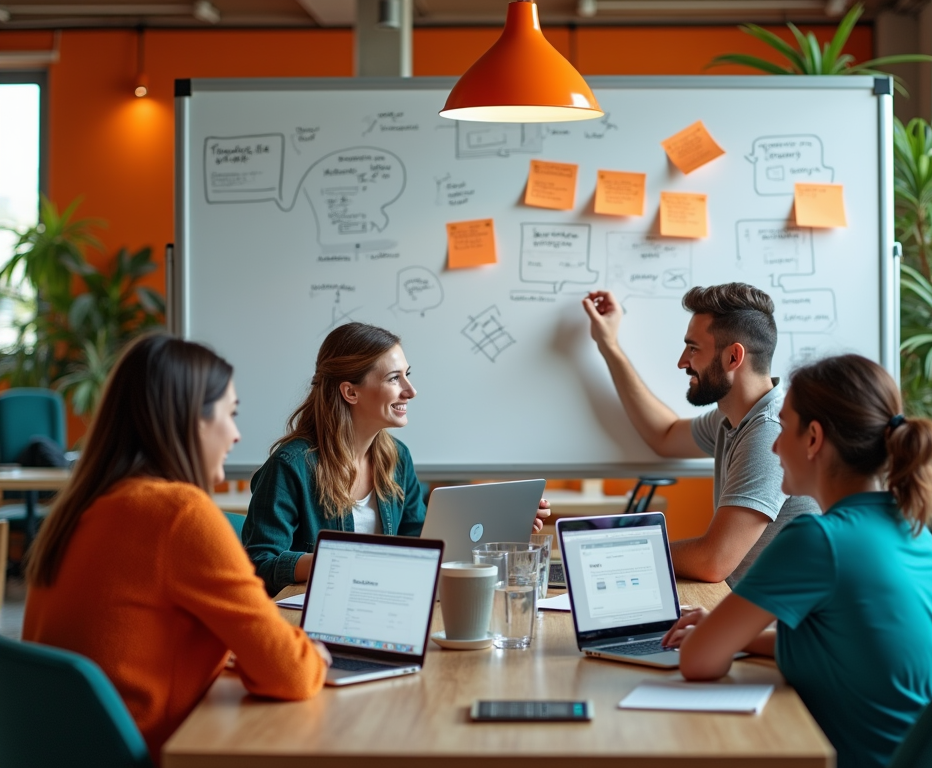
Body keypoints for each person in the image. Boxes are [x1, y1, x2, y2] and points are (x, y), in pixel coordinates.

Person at [22, 334, 329, 763]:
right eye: (231, 414)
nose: (238, 435)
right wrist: (311, 653)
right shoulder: (180, 514)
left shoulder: (81, 507)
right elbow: (292, 674)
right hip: (157, 750)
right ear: (192, 421)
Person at [661, 354, 932, 768]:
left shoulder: (818, 539)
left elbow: (698, 662)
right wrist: (735, 633)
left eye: (783, 427)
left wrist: (712, 634)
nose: (773, 445)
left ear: (813, 438)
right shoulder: (910, 524)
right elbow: (845, 644)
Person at [244, 321, 550, 596]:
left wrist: (505, 524)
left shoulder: (397, 458)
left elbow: (421, 541)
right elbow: (259, 564)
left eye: (408, 375)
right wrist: (338, 558)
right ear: (350, 392)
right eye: (394, 378)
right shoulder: (291, 466)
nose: (411, 391)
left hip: (388, 601)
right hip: (316, 617)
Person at [583, 283, 818, 585]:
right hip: (742, 609)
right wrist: (609, 346)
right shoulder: (733, 417)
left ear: (734, 357)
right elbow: (665, 435)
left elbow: (713, 561)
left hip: (774, 627)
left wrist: (615, 555)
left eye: (693, 348)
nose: (683, 361)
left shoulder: (769, 433)